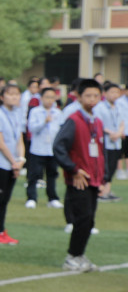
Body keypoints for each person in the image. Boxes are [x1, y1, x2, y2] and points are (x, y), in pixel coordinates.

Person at [55, 78, 107, 272]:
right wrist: (73, 169)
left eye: (96, 95)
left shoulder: (97, 122)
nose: (92, 99)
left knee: (89, 220)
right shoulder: (74, 120)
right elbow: (59, 146)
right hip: (79, 179)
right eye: (88, 95)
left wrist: (104, 177)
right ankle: (72, 256)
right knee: (82, 218)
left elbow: (101, 151)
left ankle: (79, 254)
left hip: (94, 178)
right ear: (78, 97)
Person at [0, 84, 27, 245]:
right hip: (1, 163)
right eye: (10, 94)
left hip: (13, 163)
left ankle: (1, 230)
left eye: (17, 94)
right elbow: (0, 143)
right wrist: (13, 162)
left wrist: (21, 159)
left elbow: (20, 139)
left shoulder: (17, 114)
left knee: (5, 199)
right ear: (2, 97)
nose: (14, 97)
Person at [25, 87, 64, 208]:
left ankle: (52, 198)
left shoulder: (57, 112)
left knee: (52, 174)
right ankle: (31, 198)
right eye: (47, 97)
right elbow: (32, 128)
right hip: (38, 148)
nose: (50, 100)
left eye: (52, 97)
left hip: (52, 149)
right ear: (41, 98)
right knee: (34, 174)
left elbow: (60, 130)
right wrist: (44, 122)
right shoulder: (35, 111)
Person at [98, 81, 123, 202]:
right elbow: (98, 123)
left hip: (116, 142)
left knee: (112, 167)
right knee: (105, 168)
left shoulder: (118, 107)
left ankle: (107, 191)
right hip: (105, 142)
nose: (115, 94)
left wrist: (118, 133)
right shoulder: (100, 107)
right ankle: (101, 192)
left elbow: (122, 122)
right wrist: (111, 133)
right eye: (112, 92)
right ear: (105, 93)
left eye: (117, 92)